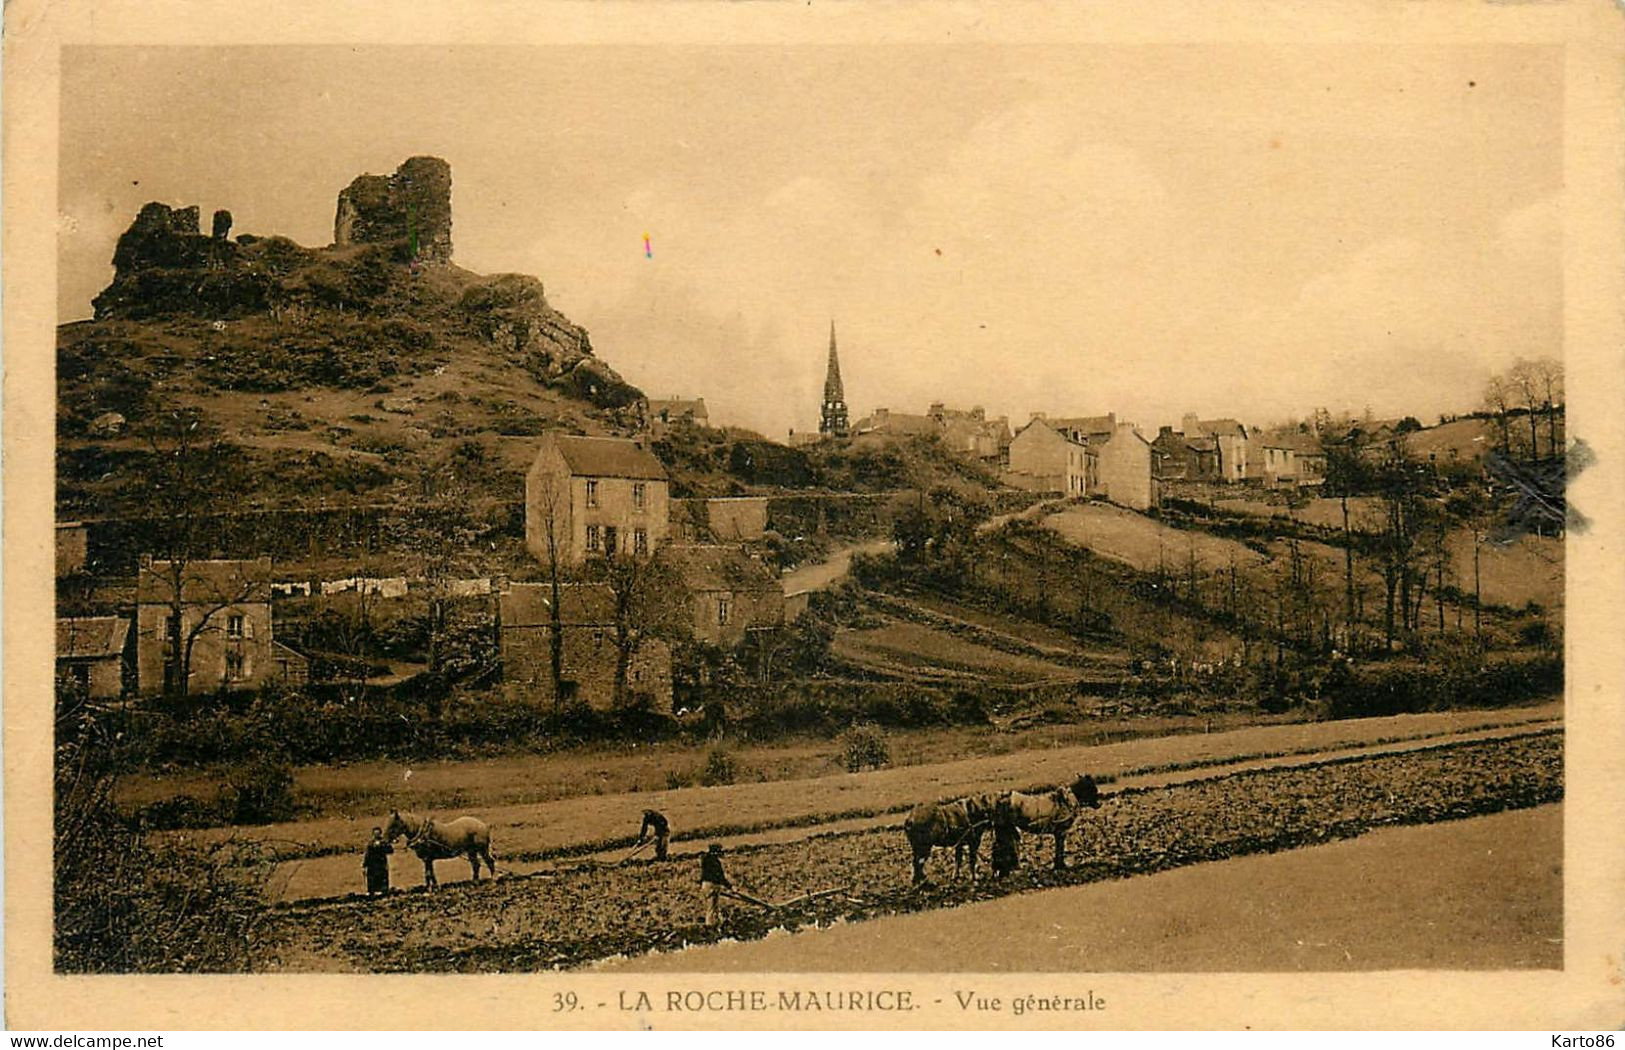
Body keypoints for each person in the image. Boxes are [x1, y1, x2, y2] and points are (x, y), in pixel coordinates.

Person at [699, 842, 732, 926]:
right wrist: (730, 886)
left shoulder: (706, 860)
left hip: (705, 885)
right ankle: (709, 925)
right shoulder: (714, 862)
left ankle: (716, 923)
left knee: (713, 907)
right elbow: (720, 876)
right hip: (712, 886)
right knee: (712, 907)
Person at [363, 826, 393, 896]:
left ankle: (383, 891)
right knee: (371, 877)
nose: (376, 835)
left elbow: (390, 850)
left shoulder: (384, 842)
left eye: (378, 833)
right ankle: (371, 891)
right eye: (375, 833)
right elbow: (367, 855)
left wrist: (384, 845)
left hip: (381, 863)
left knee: (382, 877)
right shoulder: (370, 844)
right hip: (372, 864)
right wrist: (364, 865)